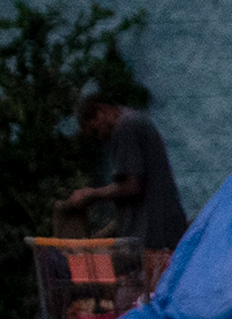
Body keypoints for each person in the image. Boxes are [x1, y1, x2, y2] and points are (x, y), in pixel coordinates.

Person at [57, 85, 185, 256]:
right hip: (163, 231)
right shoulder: (134, 122)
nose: (100, 136)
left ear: (102, 111)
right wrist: (99, 237)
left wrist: (91, 194)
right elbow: (133, 201)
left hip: (155, 238)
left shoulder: (125, 127)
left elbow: (132, 187)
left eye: (96, 130)